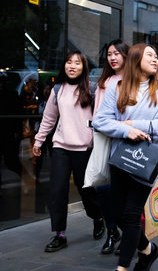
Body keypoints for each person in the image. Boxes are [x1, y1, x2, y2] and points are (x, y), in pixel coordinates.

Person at [93, 43, 158, 271]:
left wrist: (133, 124)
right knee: (116, 213)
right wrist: (126, 131)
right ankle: (148, 250)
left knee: (131, 214)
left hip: (146, 162)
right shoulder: (117, 88)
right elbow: (101, 121)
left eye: (156, 56)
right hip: (120, 159)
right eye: (150, 55)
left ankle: (122, 268)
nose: (155, 60)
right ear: (136, 58)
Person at [32, 51, 103, 253]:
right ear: (64, 66)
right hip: (61, 147)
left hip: (84, 149)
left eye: (77, 63)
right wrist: (39, 140)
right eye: (69, 62)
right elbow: (48, 119)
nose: (72, 66)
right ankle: (59, 234)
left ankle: (98, 218)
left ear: (83, 67)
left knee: (87, 191)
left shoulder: (92, 88)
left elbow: (100, 117)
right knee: (57, 192)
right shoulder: (57, 89)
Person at [93, 39, 130, 254]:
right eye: (109, 54)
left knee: (124, 191)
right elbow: (98, 113)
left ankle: (131, 235)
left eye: (117, 53)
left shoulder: (135, 79)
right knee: (103, 189)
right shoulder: (105, 81)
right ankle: (111, 231)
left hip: (125, 141)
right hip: (103, 140)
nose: (113, 57)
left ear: (126, 55)